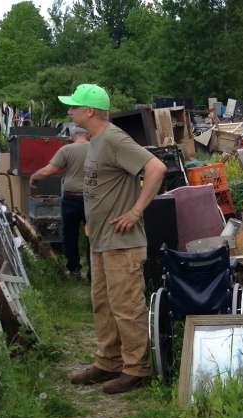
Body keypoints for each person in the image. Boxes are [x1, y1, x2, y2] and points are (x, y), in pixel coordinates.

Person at [58, 84, 167, 394]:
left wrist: (135, 212)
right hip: (102, 240)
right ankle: (108, 362)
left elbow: (156, 168)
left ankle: (136, 369)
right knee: (102, 305)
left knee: (127, 307)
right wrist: (92, 223)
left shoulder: (115, 138)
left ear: (89, 111)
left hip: (123, 243)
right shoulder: (94, 141)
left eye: (74, 107)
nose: (70, 111)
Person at [29, 126, 91, 279]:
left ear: (71, 135)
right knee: (93, 234)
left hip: (72, 197)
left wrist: (34, 177)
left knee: (70, 233)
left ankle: (74, 269)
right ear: (88, 134)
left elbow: (46, 171)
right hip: (93, 198)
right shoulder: (97, 148)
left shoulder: (67, 150)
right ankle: (94, 273)